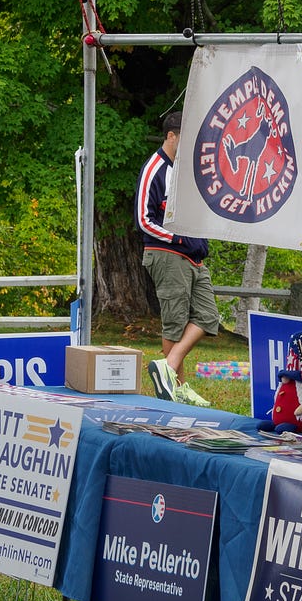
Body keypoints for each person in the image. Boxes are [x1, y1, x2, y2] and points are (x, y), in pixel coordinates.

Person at [136, 109, 220, 406]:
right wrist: (178, 238)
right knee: (174, 322)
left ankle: (168, 368)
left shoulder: (187, 170)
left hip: (193, 256)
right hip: (167, 253)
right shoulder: (155, 169)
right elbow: (144, 220)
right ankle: (177, 388)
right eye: (185, 138)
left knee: (208, 316)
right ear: (171, 136)